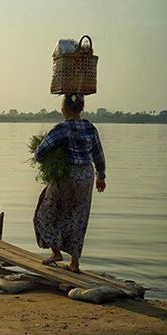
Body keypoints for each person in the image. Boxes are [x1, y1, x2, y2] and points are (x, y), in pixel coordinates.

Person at [33, 94, 107, 274]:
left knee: (45, 213)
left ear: (64, 108)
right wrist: (101, 177)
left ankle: (56, 252)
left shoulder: (62, 129)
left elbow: (39, 153)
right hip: (86, 176)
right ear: (81, 108)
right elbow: (98, 154)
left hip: (67, 176)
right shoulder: (90, 127)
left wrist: (51, 158)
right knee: (78, 217)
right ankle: (75, 263)